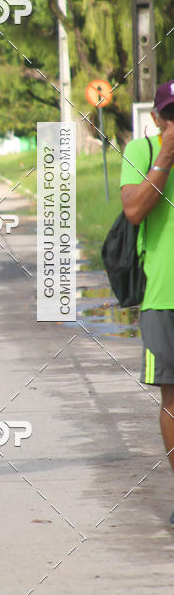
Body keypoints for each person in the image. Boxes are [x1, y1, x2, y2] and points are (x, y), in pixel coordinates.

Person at [120, 78, 174, 525]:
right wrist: (166, 157)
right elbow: (134, 211)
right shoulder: (141, 152)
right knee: (173, 397)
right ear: (157, 118)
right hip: (163, 294)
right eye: (171, 115)